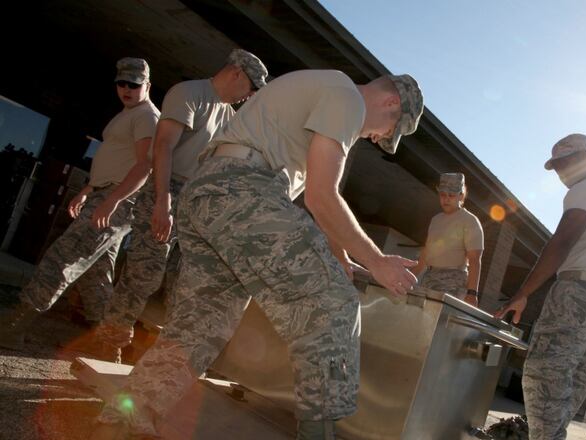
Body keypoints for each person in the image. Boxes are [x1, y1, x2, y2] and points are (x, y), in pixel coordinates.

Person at [89, 70, 424, 440]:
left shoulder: (323, 89)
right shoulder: (346, 97)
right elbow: (321, 195)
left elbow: (310, 200)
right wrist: (377, 261)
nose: (376, 137)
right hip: (244, 189)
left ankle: (124, 422)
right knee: (334, 303)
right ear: (391, 104)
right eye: (387, 132)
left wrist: (337, 252)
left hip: (212, 194)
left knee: (202, 324)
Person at [89, 49, 267, 361]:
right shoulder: (190, 93)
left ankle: (154, 360)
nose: (250, 95)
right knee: (143, 275)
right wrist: (162, 201)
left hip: (194, 201)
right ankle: (108, 345)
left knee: (182, 285)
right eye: (251, 88)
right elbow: (163, 147)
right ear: (237, 74)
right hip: (165, 187)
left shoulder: (229, 116)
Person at [0, 58, 160, 350]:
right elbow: (115, 160)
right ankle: (108, 346)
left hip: (118, 201)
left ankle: (13, 326)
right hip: (106, 195)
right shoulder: (127, 114)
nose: (126, 89)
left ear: (147, 85)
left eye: (134, 85)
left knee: (64, 257)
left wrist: (111, 201)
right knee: (96, 277)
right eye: (121, 83)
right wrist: (87, 189)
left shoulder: (147, 117)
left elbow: (144, 166)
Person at [495, 133, 586, 440]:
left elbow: (562, 241)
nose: (560, 173)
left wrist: (522, 294)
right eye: (556, 167)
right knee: (571, 383)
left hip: (579, 293)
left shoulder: (585, 189)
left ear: (585, 159)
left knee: (542, 375)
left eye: (564, 164)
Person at [412, 172, 484, 306]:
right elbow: (426, 253)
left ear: (461, 196)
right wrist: (410, 278)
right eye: (442, 195)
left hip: (453, 284)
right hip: (429, 279)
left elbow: (474, 260)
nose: (446, 199)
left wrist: (472, 293)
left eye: (451, 195)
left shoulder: (469, 221)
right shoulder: (436, 220)